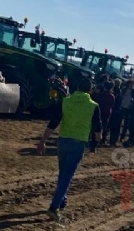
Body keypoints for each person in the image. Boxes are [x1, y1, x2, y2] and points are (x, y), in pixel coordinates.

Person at [38, 77, 101, 220]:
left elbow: (53, 122)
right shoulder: (93, 106)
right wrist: (98, 137)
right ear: (90, 90)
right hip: (78, 142)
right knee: (67, 176)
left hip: (63, 140)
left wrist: (43, 140)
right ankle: (54, 207)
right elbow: (98, 126)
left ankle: (62, 200)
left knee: (63, 173)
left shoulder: (65, 101)